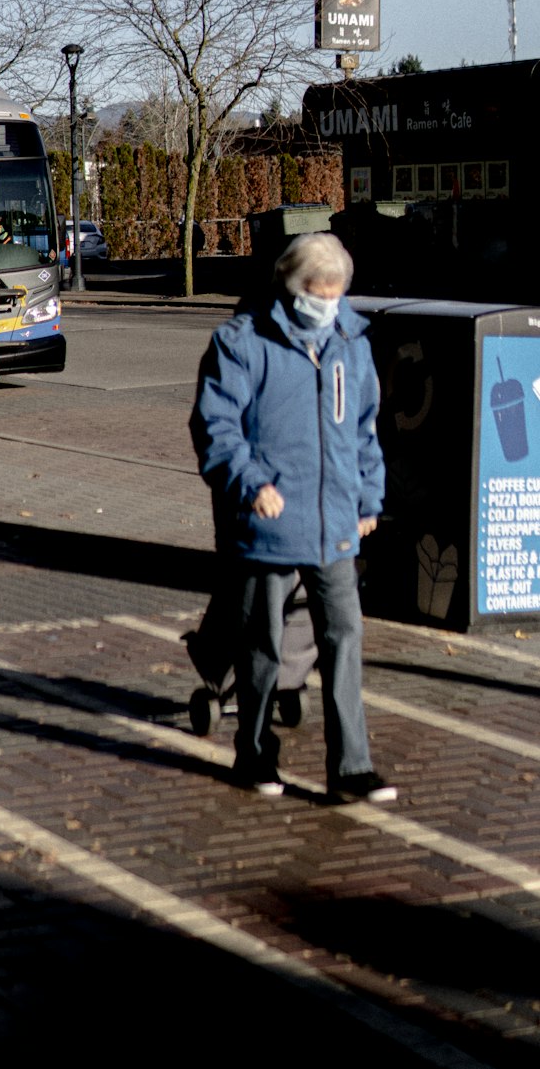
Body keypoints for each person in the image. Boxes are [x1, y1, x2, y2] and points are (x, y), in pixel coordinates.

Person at [191, 232, 397, 804]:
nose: (327, 303)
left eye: (336, 293)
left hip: (334, 524)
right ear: (289, 284)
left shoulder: (351, 342)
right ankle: (254, 755)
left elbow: (363, 429)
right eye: (317, 292)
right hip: (270, 527)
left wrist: (368, 501)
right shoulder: (241, 341)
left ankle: (352, 767)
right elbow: (216, 427)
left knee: (344, 640)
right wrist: (251, 484)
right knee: (262, 645)